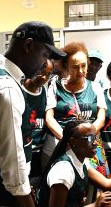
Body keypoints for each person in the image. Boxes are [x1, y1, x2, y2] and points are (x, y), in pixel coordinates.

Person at [0, 21, 66, 207]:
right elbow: (12, 166)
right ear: (28, 45)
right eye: (45, 55)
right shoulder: (5, 88)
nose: (44, 64)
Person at [41, 42, 107, 174]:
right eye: (75, 67)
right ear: (66, 66)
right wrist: (68, 141)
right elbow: (49, 118)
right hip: (59, 145)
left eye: (84, 66)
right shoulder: (55, 86)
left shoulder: (95, 88)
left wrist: (86, 140)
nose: (81, 71)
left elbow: (101, 119)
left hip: (90, 145)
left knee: (94, 188)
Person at [22, 59, 53, 178]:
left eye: (48, 74)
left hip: (38, 152)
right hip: (21, 152)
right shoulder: (18, 90)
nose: (44, 77)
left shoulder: (45, 93)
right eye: (41, 71)